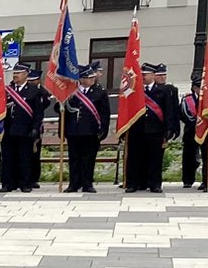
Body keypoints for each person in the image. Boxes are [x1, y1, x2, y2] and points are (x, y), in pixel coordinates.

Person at [0, 60, 49, 192]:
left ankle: (24, 183)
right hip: (8, 130)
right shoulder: (8, 90)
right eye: (14, 73)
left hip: (25, 130)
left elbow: (38, 112)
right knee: (8, 158)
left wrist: (35, 128)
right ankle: (8, 183)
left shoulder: (34, 91)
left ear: (26, 74)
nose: (15, 75)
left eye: (18, 73)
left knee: (24, 158)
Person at [121, 62, 174, 193]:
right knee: (135, 158)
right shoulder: (133, 90)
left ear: (153, 75)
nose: (143, 77)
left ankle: (154, 184)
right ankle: (133, 183)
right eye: (141, 74)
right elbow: (126, 109)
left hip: (156, 130)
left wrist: (168, 129)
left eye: (146, 74)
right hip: (137, 129)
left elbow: (168, 111)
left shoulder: (163, 91)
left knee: (155, 158)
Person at [63, 62, 109, 193]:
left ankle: (87, 183)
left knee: (88, 159)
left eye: (92, 77)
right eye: (89, 78)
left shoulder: (100, 92)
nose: (92, 79)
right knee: (74, 158)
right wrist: (61, 103)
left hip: (91, 131)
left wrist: (103, 129)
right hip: (73, 131)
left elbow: (104, 113)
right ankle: (74, 184)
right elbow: (63, 111)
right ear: (81, 79)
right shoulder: (71, 92)